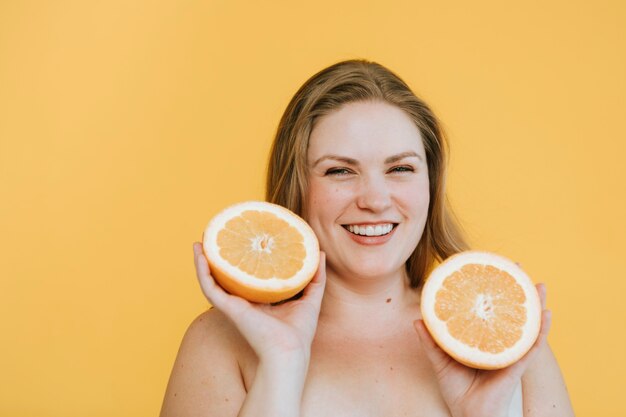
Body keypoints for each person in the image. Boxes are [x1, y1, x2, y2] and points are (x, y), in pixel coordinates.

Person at [160, 60, 575, 417]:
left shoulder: (506, 343)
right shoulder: (220, 341)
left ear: (430, 184)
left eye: (401, 169)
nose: (375, 200)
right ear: (298, 187)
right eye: (340, 171)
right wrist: (281, 366)